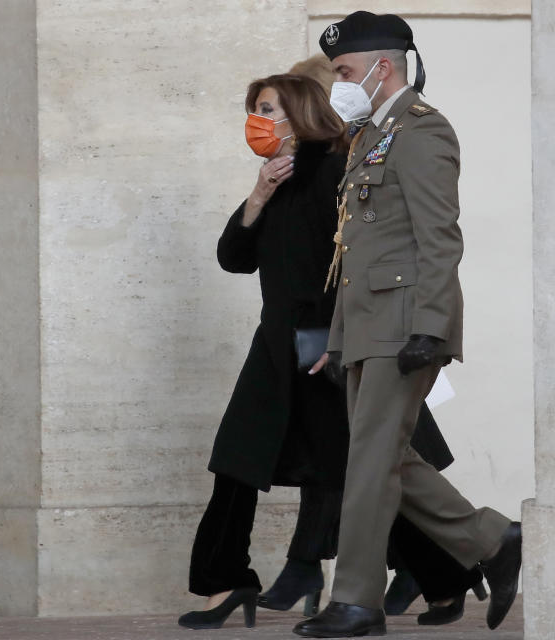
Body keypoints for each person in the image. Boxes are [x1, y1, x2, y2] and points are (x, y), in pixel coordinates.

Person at [294, 12, 521, 637]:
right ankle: (494, 539)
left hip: (402, 325)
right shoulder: (371, 136)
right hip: (368, 327)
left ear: (380, 67)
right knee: (388, 459)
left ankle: (357, 602)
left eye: (343, 71)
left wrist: (432, 327)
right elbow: (355, 249)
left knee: (369, 464)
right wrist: (339, 341)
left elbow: (439, 238)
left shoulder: (422, 132)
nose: (338, 83)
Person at [178, 73, 355, 631]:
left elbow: (353, 266)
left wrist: (339, 335)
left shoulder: (332, 172)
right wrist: (258, 194)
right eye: (254, 108)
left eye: (267, 108)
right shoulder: (276, 179)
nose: (257, 119)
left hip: (321, 341)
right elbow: (235, 258)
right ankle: (225, 580)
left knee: (346, 467)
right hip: (275, 342)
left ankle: (439, 565)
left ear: (298, 114)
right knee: (235, 458)